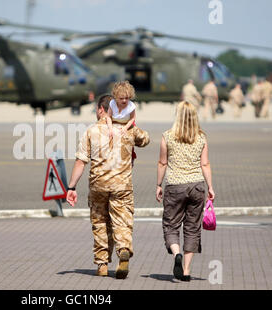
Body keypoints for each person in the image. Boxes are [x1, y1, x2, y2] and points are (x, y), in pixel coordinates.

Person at [66, 94, 150, 279]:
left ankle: (102, 264)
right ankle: (123, 251)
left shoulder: (91, 131)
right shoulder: (128, 130)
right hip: (122, 186)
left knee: (100, 223)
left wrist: (71, 188)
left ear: (101, 109)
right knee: (122, 221)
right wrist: (131, 123)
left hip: (98, 185)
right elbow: (145, 139)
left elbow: (81, 162)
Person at [156, 101, 215, 282]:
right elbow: (205, 164)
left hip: (174, 186)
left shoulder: (167, 136)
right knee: (192, 228)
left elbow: (163, 163)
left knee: (171, 225)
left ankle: (176, 255)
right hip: (197, 186)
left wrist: (159, 185)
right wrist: (210, 186)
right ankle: (187, 271)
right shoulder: (201, 137)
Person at [105, 81, 138, 165]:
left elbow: (133, 118)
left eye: (126, 98)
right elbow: (108, 116)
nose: (124, 100)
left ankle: (131, 158)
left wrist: (125, 128)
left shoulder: (131, 106)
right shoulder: (112, 104)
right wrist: (110, 128)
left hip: (127, 123)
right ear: (116, 97)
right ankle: (110, 158)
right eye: (121, 98)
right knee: (109, 137)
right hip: (114, 122)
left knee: (130, 139)